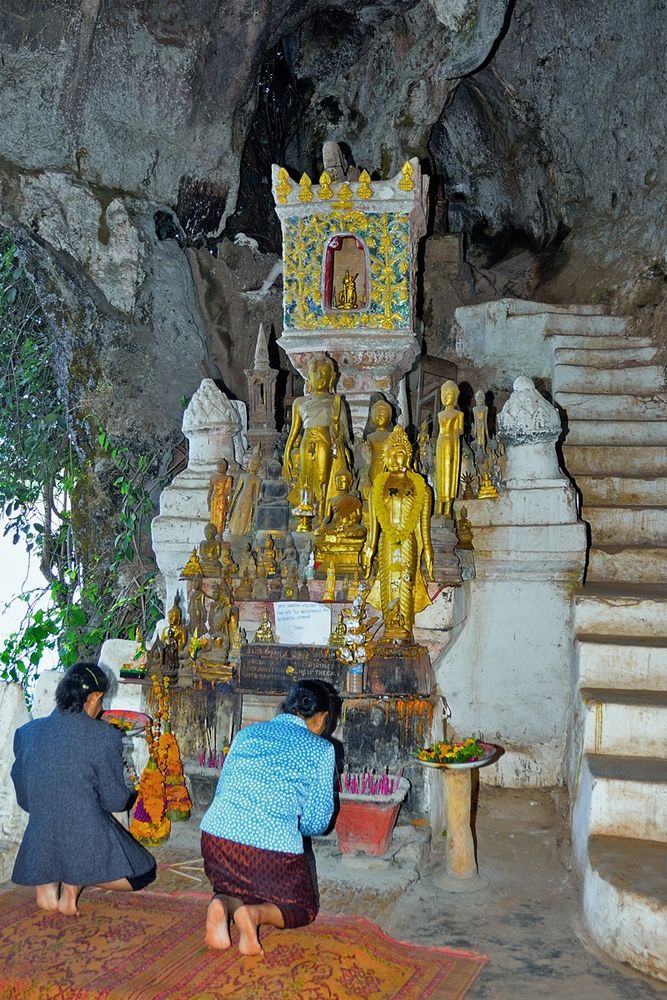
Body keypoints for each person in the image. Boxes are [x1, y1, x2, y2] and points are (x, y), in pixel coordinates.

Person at [200, 679, 336, 956]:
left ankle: (222, 905)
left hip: (216, 841)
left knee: (238, 885)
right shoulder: (322, 750)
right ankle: (254, 916)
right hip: (270, 853)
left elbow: (223, 789)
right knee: (302, 907)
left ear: (286, 707)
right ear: (320, 718)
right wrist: (292, 826)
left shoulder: (248, 734)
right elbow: (318, 822)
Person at [10, 661, 156, 916]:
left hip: (40, 842)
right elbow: (115, 802)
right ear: (94, 697)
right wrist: (131, 789)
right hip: (84, 838)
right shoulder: (103, 735)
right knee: (144, 872)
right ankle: (73, 880)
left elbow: (25, 800)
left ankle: (50, 881)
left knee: (60, 823)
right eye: (102, 701)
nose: (102, 709)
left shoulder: (27, 733)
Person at [362, 425, 434, 642]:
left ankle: (405, 626)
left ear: (409, 456)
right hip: (386, 540)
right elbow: (374, 525)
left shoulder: (419, 485)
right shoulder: (378, 487)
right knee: (387, 580)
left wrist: (428, 550)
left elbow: (423, 523)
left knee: (406, 580)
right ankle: (389, 624)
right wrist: (369, 549)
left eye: (400, 453)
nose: (395, 458)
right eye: (391, 454)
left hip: (408, 541)